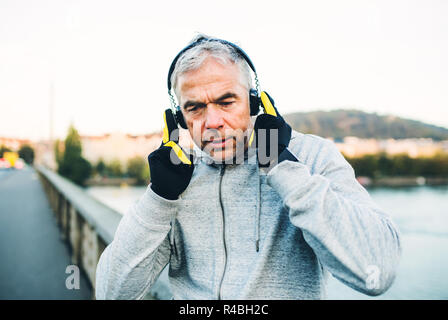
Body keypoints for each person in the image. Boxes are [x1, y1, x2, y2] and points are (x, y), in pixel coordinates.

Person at [95, 34, 401, 300]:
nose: (212, 122)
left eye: (226, 101)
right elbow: (112, 293)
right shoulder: (177, 179)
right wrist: (159, 198)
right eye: (195, 108)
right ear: (178, 120)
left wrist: (282, 168)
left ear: (255, 103)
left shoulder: (310, 156)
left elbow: (378, 272)